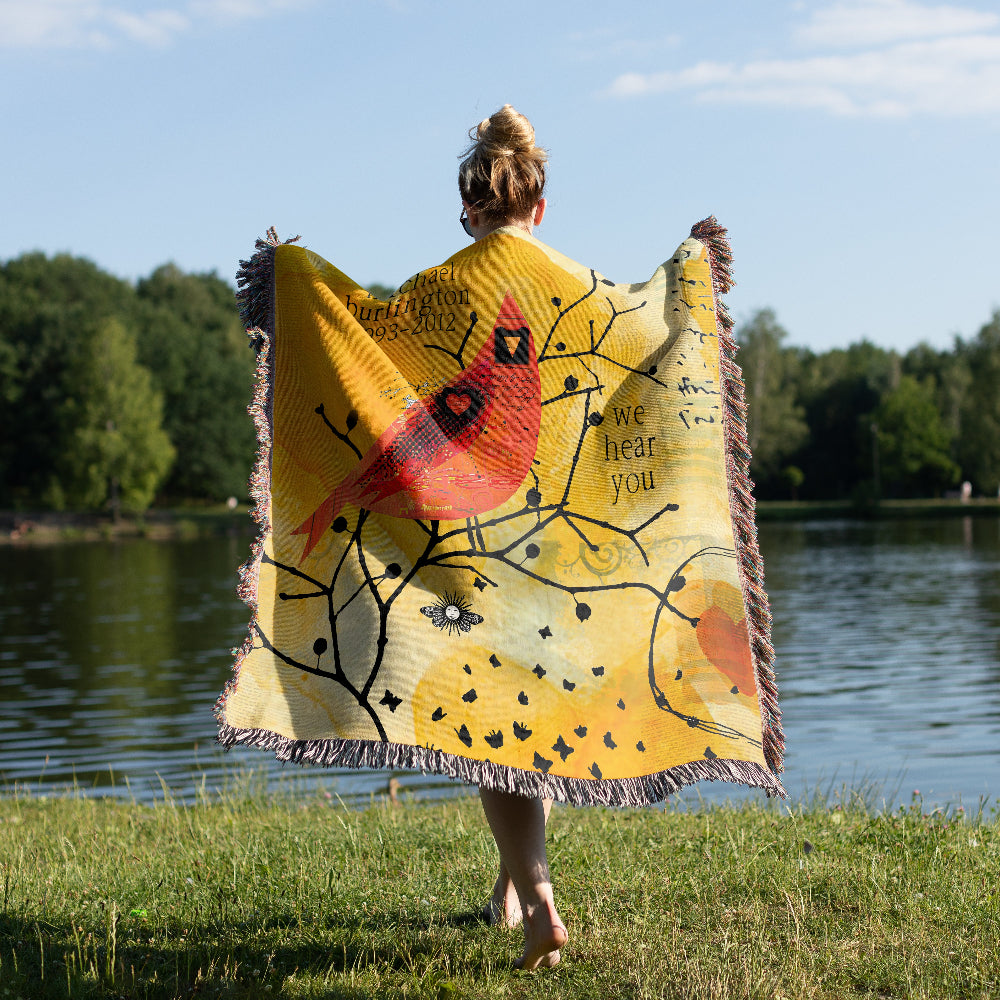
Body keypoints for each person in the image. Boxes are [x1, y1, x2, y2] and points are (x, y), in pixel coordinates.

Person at [457, 104, 568, 972]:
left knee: (495, 731)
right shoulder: (575, 283)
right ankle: (507, 887)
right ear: (539, 206)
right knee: (535, 717)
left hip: (476, 534)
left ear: (469, 210)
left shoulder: (442, 288)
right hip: (570, 535)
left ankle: (538, 901)